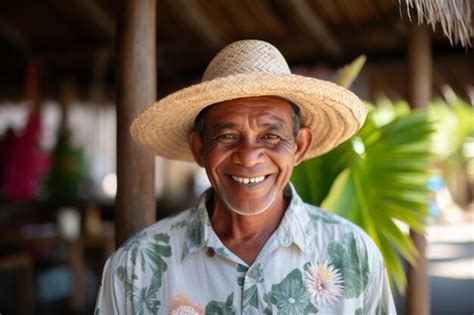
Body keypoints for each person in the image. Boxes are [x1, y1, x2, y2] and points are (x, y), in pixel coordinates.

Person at [95, 40, 396, 314]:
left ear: (299, 146)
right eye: (227, 135)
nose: (249, 156)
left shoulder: (354, 255)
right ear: (199, 148)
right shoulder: (135, 267)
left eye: (271, 135)